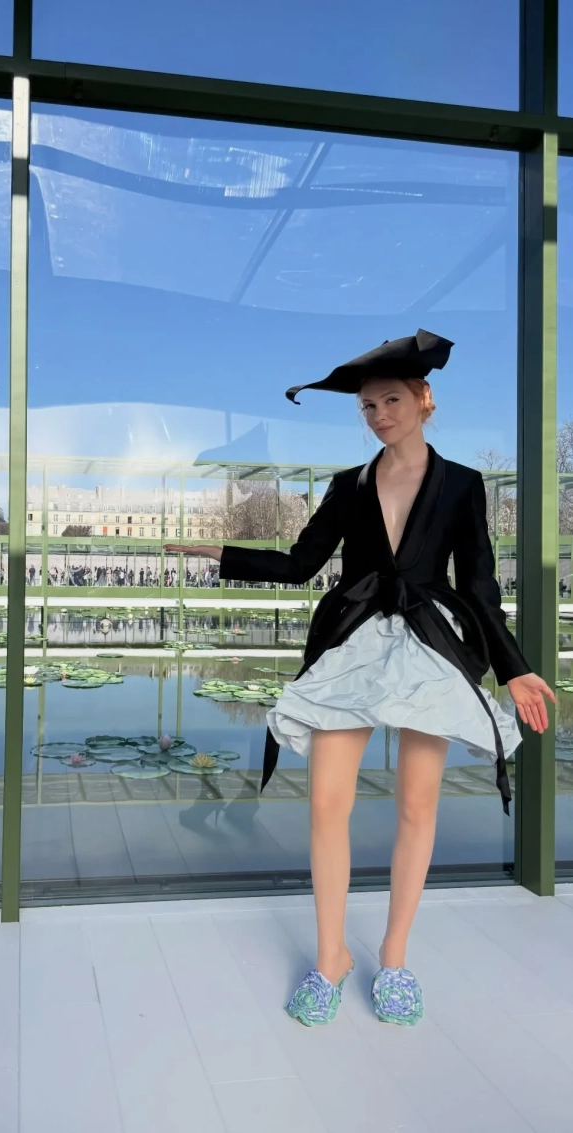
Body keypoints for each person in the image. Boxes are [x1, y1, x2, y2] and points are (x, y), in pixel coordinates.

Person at [165, 328, 555, 1029]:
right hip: (353, 642)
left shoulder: (464, 484)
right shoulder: (348, 485)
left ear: (424, 399)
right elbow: (299, 564)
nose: (378, 415)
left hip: (429, 645)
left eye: (391, 400)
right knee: (325, 805)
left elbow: (480, 586)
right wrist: (218, 553)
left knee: (416, 807)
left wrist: (516, 668)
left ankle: (395, 958)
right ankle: (331, 958)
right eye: (368, 406)